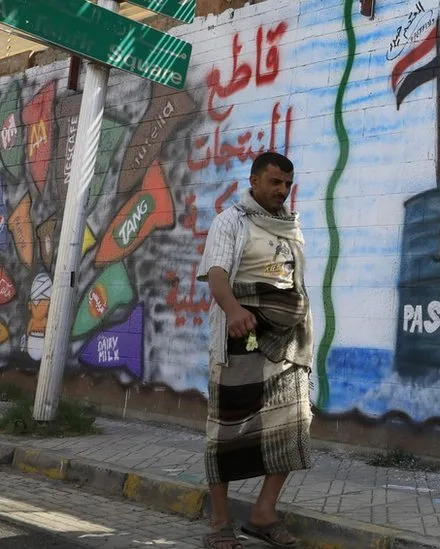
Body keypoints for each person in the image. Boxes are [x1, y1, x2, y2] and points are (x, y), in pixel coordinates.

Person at [198, 152, 312, 549]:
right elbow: (217, 274)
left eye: (287, 184)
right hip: (238, 344)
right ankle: (219, 523)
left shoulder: (290, 226)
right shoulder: (231, 221)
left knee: (291, 426)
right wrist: (232, 310)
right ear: (254, 180)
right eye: (275, 182)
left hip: (285, 347)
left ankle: (264, 514)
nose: (282, 190)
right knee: (227, 432)